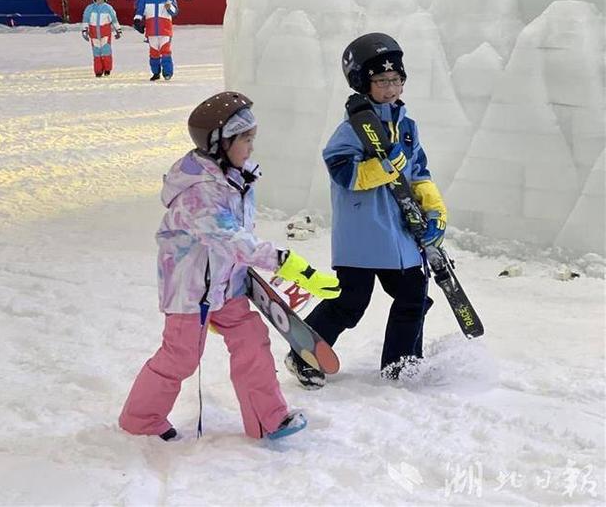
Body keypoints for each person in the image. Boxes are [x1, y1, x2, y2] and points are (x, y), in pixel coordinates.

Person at [118, 91, 340, 442]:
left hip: (226, 283)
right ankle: (140, 418)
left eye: (253, 138)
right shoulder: (198, 192)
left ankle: (268, 419)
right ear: (221, 143)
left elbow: (237, 238)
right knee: (182, 358)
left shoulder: (235, 177)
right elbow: (233, 238)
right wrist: (290, 263)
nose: (252, 147)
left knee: (252, 339)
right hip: (191, 291)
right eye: (245, 139)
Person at [285, 33, 447, 389]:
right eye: (381, 81)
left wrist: (433, 208)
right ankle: (304, 355)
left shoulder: (406, 127)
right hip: (362, 235)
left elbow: (418, 172)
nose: (390, 89)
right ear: (363, 83)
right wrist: (385, 167)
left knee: (413, 295)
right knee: (350, 303)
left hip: (399, 237)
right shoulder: (351, 129)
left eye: (396, 80)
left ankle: (401, 366)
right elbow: (343, 173)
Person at [133, 0, 178, 81]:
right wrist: (137, 21)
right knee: (154, 53)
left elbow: (175, 12)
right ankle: (156, 73)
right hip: (151, 30)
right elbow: (139, 11)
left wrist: (169, 7)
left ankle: (167, 73)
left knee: (165, 51)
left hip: (165, 30)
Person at [81, 0, 122, 77]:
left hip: (105, 34)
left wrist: (118, 30)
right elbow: (85, 20)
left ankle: (107, 69)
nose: (99, 1)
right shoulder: (90, 8)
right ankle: (98, 71)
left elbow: (114, 20)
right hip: (94, 35)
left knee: (106, 52)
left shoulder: (108, 8)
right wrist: (84, 30)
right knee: (96, 53)